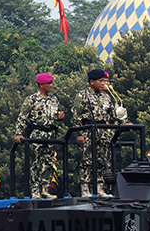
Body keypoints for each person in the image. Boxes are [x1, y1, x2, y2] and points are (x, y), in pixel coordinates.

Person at [72, 69, 122, 197]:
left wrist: (124, 122)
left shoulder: (105, 96)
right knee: (87, 161)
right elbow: (76, 116)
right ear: (91, 81)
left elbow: (113, 113)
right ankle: (85, 189)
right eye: (99, 81)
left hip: (104, 132)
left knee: (103, 161)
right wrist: (79, 134)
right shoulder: (82, 95)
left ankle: (100, 188)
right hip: (89, 131)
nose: (102, 83)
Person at [15, 73, 65, 199]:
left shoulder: (53, 99)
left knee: (48, 162)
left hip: (50, 134)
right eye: (48, 83)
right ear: (41, 84)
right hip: (37, 133)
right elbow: (22, 117)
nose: (51, 86)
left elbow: (55, 115)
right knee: (36, 163)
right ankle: (35, 191)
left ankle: (45, 189)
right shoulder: (31, 99)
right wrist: (18, 133)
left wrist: (59, 118)